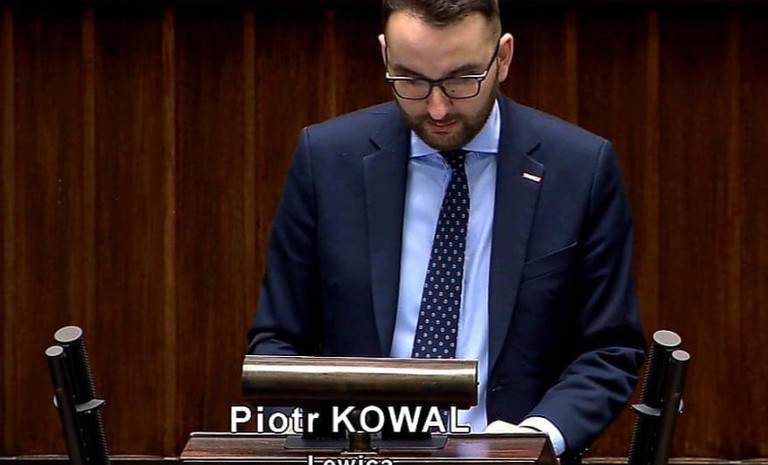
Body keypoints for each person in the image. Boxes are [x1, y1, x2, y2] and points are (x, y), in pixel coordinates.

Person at [247, 0, 645, 462]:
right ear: (385, 55)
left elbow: (608, 348)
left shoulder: (579, 169)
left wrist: (534, 440)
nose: (437, 108)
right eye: (411, 80)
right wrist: (320, 445)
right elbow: (277, 346)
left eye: (462, 80)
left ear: (503, 58)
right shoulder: (326, 160)